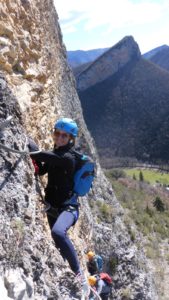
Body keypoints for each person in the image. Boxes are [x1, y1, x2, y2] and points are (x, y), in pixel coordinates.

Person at [28, 118, 88, 292]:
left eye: (64, 135)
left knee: (58, 233)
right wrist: (34, 161)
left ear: (71, 139)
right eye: (57, 134)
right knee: (57, 242)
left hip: (68, 208)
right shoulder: (57, 153)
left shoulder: (68, 158)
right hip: (53, 208)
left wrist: (28, 144)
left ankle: (79, 275)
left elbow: (42, 155)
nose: (60, 138)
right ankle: (63, 277)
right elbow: (43, 169)